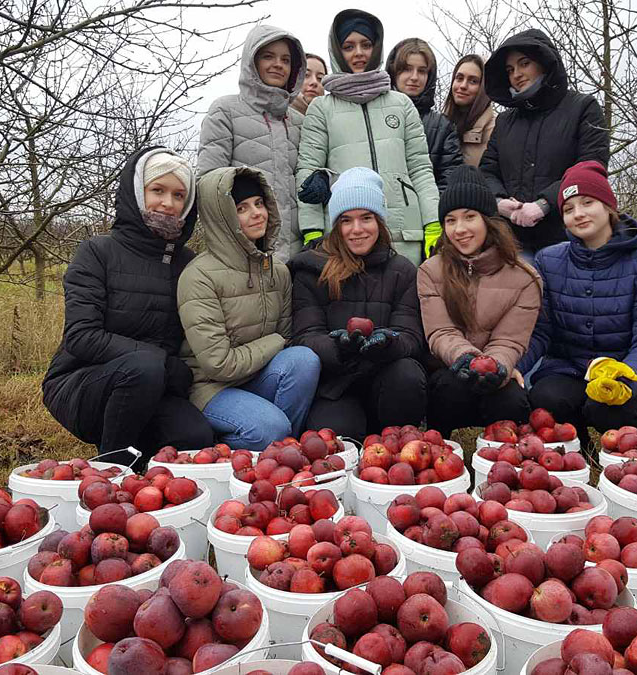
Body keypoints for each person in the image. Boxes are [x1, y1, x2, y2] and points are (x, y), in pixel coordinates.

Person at [42, 147, 213, 468]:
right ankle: (112, 470)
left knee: (195, 437)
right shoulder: (97, 252)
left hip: (155, 384)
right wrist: (161, 361)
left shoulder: (188, 264)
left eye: (179, 195)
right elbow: (81, 336)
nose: (168, 203)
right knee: (143, 369)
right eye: (157, 190)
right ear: (137, 192)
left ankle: (150, 478)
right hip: (83, 382)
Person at [518, 161, 637, 438]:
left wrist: (626, 376)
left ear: (608, 205)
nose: (578, 214)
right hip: (569, 368)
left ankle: (620, 453)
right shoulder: (549, 261)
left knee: (609, 408)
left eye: (587, 202)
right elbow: (540, 331)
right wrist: (512, 368)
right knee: (546, 399)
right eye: (568, 209)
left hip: (627, 368)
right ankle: (576, 446)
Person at [177, 166, 320, 451]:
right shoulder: (199, 276)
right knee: (270, 427)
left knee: (304, 360)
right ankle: (222, 450)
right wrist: (276, 342)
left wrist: (280, 343)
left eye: (259, 203)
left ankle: (283, 453)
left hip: (258, 377)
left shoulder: (277, 271)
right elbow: (218, 363)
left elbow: (289, 340)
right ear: (223, 219)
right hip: (212, 388)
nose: (257, 213)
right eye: (242, 208)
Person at [289, 167, 427, 439]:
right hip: (337, 383)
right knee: (339, 437)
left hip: (385, 376)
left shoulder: (403, 271)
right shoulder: (312, 270)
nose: (357, 230)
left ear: (380, 221)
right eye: (346, 220)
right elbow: (305, 336)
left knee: (408, 375)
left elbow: (411, 335)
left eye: (366, 218)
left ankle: (396, 448)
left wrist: (389, 342)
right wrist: (337, 346)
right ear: (335, 226)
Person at [296, 9, 440, 265]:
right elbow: (309, 171)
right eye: (349, 46)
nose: (359, 53)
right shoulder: (322, 108)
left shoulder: (402, 104)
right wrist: (313, 230)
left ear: (377, 48)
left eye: (366, 44)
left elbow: (420, 168)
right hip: (347, 234)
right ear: (338, 51)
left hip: (403, 232)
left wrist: (432, 222)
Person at [418, 165, 543, 436]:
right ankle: (441, 452)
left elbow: (510, 340)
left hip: (497, 370)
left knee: (512, 399)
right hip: (451, 366)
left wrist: (496, 366)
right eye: (450, 220)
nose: (459, 229)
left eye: (469, 217)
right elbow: (440, 331)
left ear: (488, 220)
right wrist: (468, 360)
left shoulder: (525, 278)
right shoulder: (430, 270)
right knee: (446, 388)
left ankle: (504, 461)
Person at [480, 28, 610, 257]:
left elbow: (591, 166)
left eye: (524, 63)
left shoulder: (583, 108)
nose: (516, 74)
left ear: (544, 63)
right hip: (512, 241)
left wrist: (544, 204)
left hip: (568, 237)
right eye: (510, 69)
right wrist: (498, 202)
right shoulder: (505, 121)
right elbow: (488, 170)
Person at [198, 25, 306, 263]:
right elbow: (209, 185)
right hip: (242, 255)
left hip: (297, 256)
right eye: (268, 56)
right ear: (252, 61)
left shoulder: (299, 121)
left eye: (286, 59)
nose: (278, 64)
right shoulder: (224, 111)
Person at [385, 37, 463, 191]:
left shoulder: (443, 126)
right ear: (394, 72)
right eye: (407, 69)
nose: (414, 77)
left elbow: (450, 179)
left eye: (422, 71)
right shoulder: (373, 114)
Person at [442, 54, 495, 167]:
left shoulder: (496, 132)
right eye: (459, 78)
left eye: (473, 81)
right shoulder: (439, 126)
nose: (463, 86)